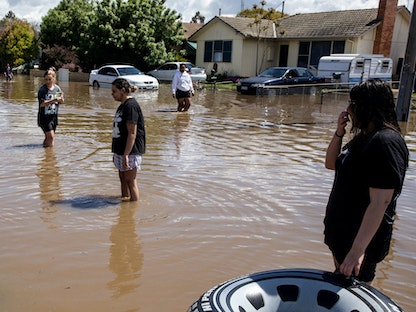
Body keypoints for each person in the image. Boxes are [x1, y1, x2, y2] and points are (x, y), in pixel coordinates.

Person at [324, 79, 408, 284]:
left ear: (368, 107)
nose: (348, 109)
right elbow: (331, 164)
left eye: (353, 104)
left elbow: (381, 201)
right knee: (342, 292)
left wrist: (356, 252)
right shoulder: (365, 137)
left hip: (360, 244)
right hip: (344, 237)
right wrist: (339, 133)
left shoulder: (385, 142)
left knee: (356, 296)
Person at [111, 78, 146, 202]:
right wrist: (116, 152)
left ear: (123, 90)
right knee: (122, 178)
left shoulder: (131, 106)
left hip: (130, 150)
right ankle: (124, 205)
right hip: (121, 149)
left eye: (114, 91)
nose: (112, 94)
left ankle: (132, 212)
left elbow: (132, 133)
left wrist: (126, 154)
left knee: (130, 181)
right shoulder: (122, 106)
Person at [37, 68, 64, 147]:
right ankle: (50, 157)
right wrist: (53, 100)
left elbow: (61, 101)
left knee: (49, 137)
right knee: (51, 137)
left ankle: (46, 151)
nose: (48, 81)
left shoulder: (57, 89)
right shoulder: (42, 90)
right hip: (44, 118)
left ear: (54, 78)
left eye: (49, 79)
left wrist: (61, 99)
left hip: (53, 117)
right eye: (46, 79)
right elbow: (42, 104)